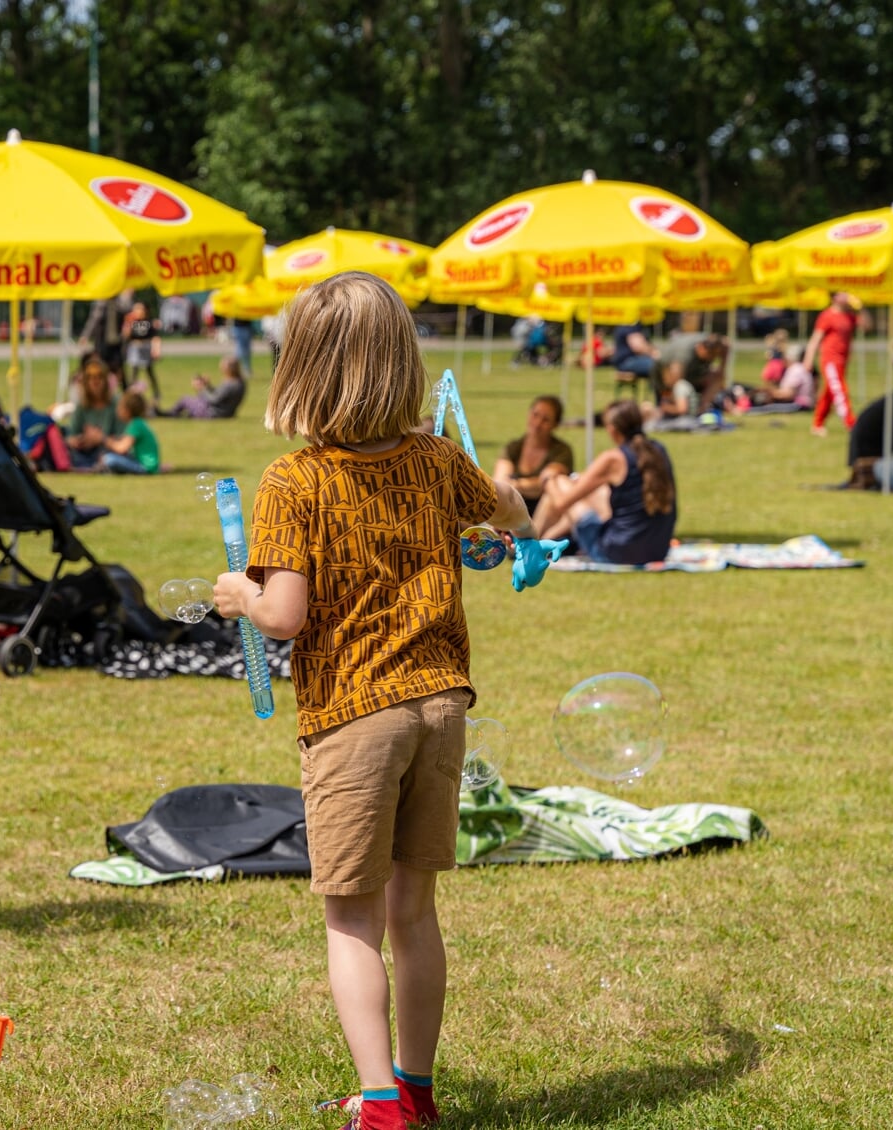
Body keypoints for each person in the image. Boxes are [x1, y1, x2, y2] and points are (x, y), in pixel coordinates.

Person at [210, 272, 534, 1130]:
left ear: (301, 370)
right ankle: (416, 1089)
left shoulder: (293, 480)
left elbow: (284, 616)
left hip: (355, 717)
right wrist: (504, 507)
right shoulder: (435, 458)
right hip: (440, 707)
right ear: (402, 363)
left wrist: (235, 593)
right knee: (413, 911)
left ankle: (382, 1107)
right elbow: (509, 509)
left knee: (350, 921)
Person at [534, 400, 678, 566]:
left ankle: (529, 545)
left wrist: (548, 478)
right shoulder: (658, 450)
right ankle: (541, 542)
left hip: (616, 553)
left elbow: (561, 503)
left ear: (612, 429)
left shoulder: (613, 459)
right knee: (599, 492)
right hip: (657, 550)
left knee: (561, 484)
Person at [493, 396, 575, 515]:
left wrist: (516, 484)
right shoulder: (513, 447)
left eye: (545, 420)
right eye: (535, 415)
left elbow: (547, 482)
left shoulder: (561, 451)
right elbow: (500, 481)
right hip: (512, 511)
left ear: (555, 425)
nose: (537, 423)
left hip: (545, 513)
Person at [805, 292, 860, 436]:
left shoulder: (849, 315)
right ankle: (851, 423)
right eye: (843, 293)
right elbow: (816, 338)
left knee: (829, 393)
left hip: (843, 360)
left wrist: (860, 307)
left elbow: (866, 326)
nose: (847, 295)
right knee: (839, 390)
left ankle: (817, 424)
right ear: (835, 298)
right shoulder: (827, 315)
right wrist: (809, 358)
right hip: (830, 360)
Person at [64, 358, 122, 469]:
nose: (95, 382)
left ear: (105, 380)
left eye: (99, 377)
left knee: (110, 459)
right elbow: (71, 436)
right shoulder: (82, 405)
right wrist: (79, 441)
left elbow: (123, 438)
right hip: (84, 452)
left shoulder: (116, 403)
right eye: (90, 378)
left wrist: (101, 438)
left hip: (108, 451)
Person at [656, 331, 726, 407]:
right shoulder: (683, 353)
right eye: (711, 355)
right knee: (680, 386)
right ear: (701, 348)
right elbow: (672, 379)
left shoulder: (711, 342)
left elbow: (726, 344)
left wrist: (724, 360)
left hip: (689, 376)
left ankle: (701, 409)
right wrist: (675, 402)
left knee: (717, 377)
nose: (712, 358)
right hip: (663, 380)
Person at [167, 356, 248, 419]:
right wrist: (207, 386)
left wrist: (201, 389)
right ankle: (174, 415)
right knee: (192, 408)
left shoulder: (230, 384)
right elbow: (221, 396)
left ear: (228, 369)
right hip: (226, 413)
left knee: (185, 399)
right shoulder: (239, 382)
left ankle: (169, 414)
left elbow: (213, 399)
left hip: (214, 414)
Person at [101, 391, 160, 474]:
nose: (117, 410)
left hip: (145, 467)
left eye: (120, 407)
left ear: (127, 411)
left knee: (108, 459)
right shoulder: (139, 423)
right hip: (146, 465)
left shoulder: (135, 425)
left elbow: (122, 448)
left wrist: (104, 439)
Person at [122, 300, 162, 402]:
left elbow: (155, 337)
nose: (138, 311)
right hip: (135, 348)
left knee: (149, 372)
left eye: (140, 309)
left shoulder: (148, 323)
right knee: (134, 372)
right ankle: (130, 393)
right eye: (136, 309)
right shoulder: (132, 322)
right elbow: (126, 336)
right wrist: (128, 323)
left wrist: (156, 350)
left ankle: (156, 393)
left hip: (146, 348)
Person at [609, 323, 658, 396]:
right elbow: (638, 347)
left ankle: (655, 398)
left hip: (632, 360)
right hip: (626, 362)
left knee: (658, 366)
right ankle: (657, 400)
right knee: (657, 366)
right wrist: (654, 353)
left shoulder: (634, 325)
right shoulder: (629, 325)